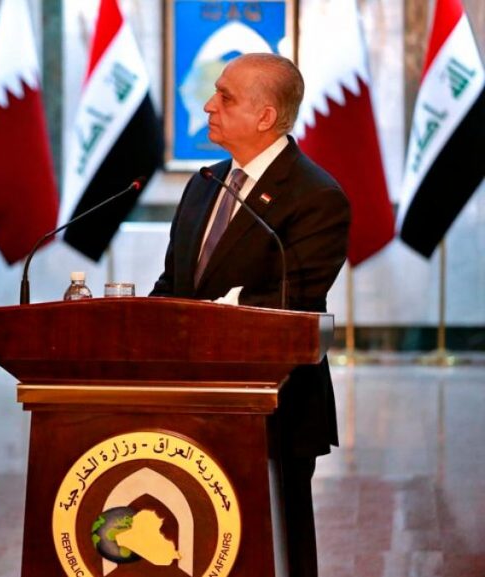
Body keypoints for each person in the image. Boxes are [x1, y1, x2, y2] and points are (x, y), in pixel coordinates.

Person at [150, 53, 350, 576]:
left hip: (274, 407)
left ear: (265, 116)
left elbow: (292, 302)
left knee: (277, 547)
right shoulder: (205, 182)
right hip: (190, 401)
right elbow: (174, 285)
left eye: (225, 97)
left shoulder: (317, 195)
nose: (208, 106)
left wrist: (215, 311)